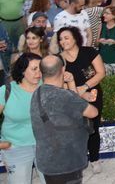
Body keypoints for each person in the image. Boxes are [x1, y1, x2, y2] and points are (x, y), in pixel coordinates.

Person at [31, 55, 98, 184]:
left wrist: (71, 83)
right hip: (67, 162)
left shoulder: (37, 93)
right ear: (62, 70)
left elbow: (71, 103)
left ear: (41, 72)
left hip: (48, 161)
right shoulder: (63, 96)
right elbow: (92, 112)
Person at [58, 26, 106, 173]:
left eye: (66, 38)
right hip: (70, 98)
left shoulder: (89, 52)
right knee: (73, 129)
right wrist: (79, 93)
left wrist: (84, 88)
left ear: (75, 38)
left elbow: (101, 73)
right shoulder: (59, 59)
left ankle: (94, 159)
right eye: (60, 39)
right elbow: (58, 83)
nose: (63, 41)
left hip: (93, 94)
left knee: (93, 128)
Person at [0, 53, 45, 184]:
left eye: (41, 69)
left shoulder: (47, 86)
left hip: (45, 145)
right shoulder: (7, 91)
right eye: (34, 69)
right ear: (22, 70)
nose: (39, 73)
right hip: (15, 147)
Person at [0, 0, 27, 70]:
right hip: (4, 22)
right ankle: (7, 69)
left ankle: (22, 67)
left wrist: (26, 23)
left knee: (21, 44)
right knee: (6, 46)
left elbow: (26, 6)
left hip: (19, 21)